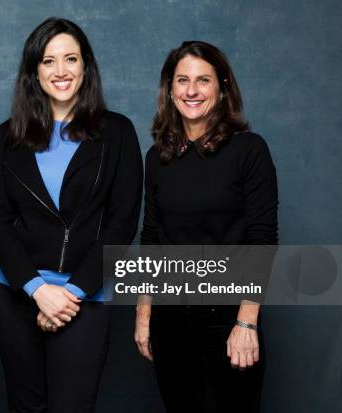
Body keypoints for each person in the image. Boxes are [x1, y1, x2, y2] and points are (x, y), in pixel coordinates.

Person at [0, 17, 143, 413]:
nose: (61, 71)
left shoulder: (118, 133)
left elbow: (122, 223)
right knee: (26, 406)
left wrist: (69, 296)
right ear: (33, 72)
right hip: (15, 293)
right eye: (48, 61)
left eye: (70, 59)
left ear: (85, 66)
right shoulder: (8, 135)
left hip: (84, 295)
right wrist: (37, 290)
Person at [134, 41, 278, 413]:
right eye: (182, 80)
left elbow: (262, 241)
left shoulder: (249, 150)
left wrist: (246, 324)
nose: (192, 91)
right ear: (170, 89)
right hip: (170, 320)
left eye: (203, 80)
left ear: (223, 86)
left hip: (227, 319)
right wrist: (144, 315)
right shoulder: (158, 157)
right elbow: (151, 240)